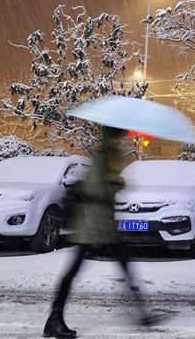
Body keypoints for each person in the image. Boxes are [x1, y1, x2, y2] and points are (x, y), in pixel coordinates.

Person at [43, 126, 156, 339]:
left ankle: (143, 315)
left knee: (124, 265)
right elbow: (96, 189)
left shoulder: (108, 154)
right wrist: (117, 183)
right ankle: (54, 319)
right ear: (112, 136)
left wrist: (115, 183)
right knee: (75, 271)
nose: (121, 139)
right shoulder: (105, 155)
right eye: (119, 135)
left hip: (103, 223)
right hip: (93, 224)